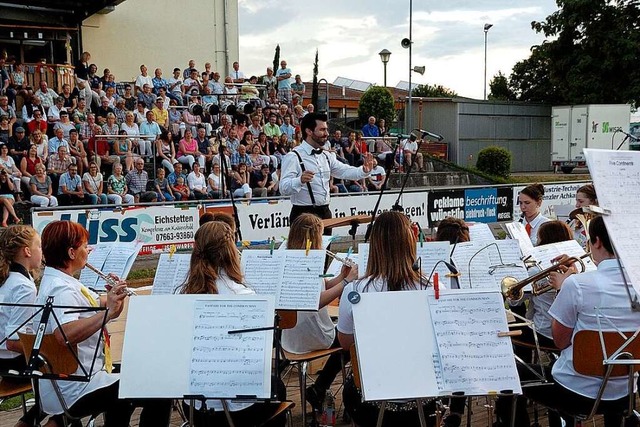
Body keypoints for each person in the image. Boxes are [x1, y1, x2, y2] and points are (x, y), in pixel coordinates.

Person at [503, 216, 640, 427]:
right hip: (625, 391)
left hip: (575, 392)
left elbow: (560, 341)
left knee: (510, 370)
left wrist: (562, 288)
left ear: (597, 242)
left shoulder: (576, 285)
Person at [37, 221, 172, 426]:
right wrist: (108, 312)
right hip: (77, 386)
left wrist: (113, 297)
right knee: (159, 388)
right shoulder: (61, 289)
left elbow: (99, 305)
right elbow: (64, 335)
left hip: (80, 377)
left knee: (134, 379)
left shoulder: (64, 281)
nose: (88, 250)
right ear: (71, 253)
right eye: (84, 246)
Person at [178, 221, 286, 427]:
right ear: (230, 252)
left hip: (194, 405)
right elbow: (263, 350)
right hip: (238, 409)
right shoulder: (244, 295)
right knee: (276, 386)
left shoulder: (182, 295)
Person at [337, 211, 435, 426]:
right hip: (424, 396)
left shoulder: (355, 290)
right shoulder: (432, 288)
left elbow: (345, 344)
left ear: (374, 246)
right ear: (410, 243)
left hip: (370, 398)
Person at [282, 214, 357, 411]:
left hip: (290, 334)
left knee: (344, 332)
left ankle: (319, 388)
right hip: (309, 333)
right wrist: (346, 283)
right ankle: (321, 387)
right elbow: (316, 301)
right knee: (349, 337)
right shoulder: (305, 261)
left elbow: (322, 287)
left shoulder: (289, 255)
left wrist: (341, 275)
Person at [280, 113, 373, 223]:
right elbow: (283, 188)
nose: (327, 134)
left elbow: (344, 171)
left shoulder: (326, 155)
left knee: (326, 241)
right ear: (309, 131)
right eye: (322, 130)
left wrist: (363, 170)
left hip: (325, 213)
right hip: (303, 215)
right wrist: (299, 180)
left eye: (326, 130)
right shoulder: (293, 156)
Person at [0, 225, 49, 427]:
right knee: (67, 373)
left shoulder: (9, 279)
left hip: (4, 360)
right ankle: (26, 423)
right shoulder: (23, 286)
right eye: (39, 246)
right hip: (12, 363)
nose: (42, 251)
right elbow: (13, 342)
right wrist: (48, 346)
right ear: (27, 251)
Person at [571, 183, 597, 249]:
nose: (577, 205)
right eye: (577, 201)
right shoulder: (576, 222)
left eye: (581, 201)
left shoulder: (602, 224)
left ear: (594, 201)